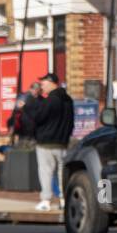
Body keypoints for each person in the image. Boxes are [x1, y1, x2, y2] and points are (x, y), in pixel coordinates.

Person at [33, 72, 74, 211]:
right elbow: (71, 122)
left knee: (46, 172)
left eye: (43, 84)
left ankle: (46, 200)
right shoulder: (68, 100)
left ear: (51, 83)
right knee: (62, 173)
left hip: (46, 142)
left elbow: (38, 117)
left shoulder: (49, 100)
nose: (42, 87)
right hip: (62, 142)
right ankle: (64, 199)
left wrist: (35, 101)